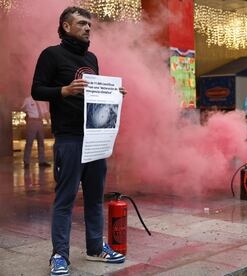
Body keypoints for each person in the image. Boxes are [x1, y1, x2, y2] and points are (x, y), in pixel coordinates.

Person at [31, 7, 127, 276]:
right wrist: (63, 90)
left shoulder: (92, 58)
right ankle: (59, 255)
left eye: (89, 25)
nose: (88, 28)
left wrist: (113, 94)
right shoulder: (51, 55)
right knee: (65, 200)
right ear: (65, 26)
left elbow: (95, 95)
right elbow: (36, 89)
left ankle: (95, 248)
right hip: (69, 138)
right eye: (82, 24)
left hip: (96, 136)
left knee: (96, 198)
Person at [21, 96, 51, 168]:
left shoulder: (42, 100)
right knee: (29, 142)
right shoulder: (28, 99)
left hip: (40, 121)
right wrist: (27, 114)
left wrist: (48, 122)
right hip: (32, 121)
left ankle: (42, 161)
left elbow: (45, 112)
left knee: (41, 142)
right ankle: (26, 161)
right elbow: (22, 108)